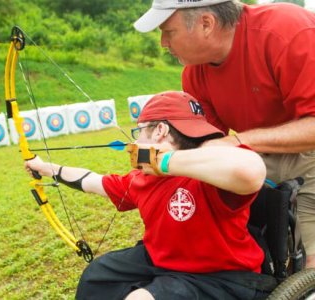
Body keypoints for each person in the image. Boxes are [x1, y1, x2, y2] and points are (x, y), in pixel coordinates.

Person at [25, 91, 277, 300]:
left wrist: (161, 160)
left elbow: (251, 170)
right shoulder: (144, 179)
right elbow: (92, 181)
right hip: (165, 262)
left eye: (140, 133)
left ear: (160, 131)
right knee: (97, 276)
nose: (136, 142)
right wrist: (45, 168)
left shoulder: (210, 172)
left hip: (221, 277)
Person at [133, 0, 315, 268]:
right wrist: (154, 155)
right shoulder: (195, 72)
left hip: (308, 154)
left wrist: (240, 140)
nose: (163, 43)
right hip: (255, 159)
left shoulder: (287, 31)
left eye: (169, 32)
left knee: (311, 263)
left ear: (206, 23)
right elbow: (204, 146)